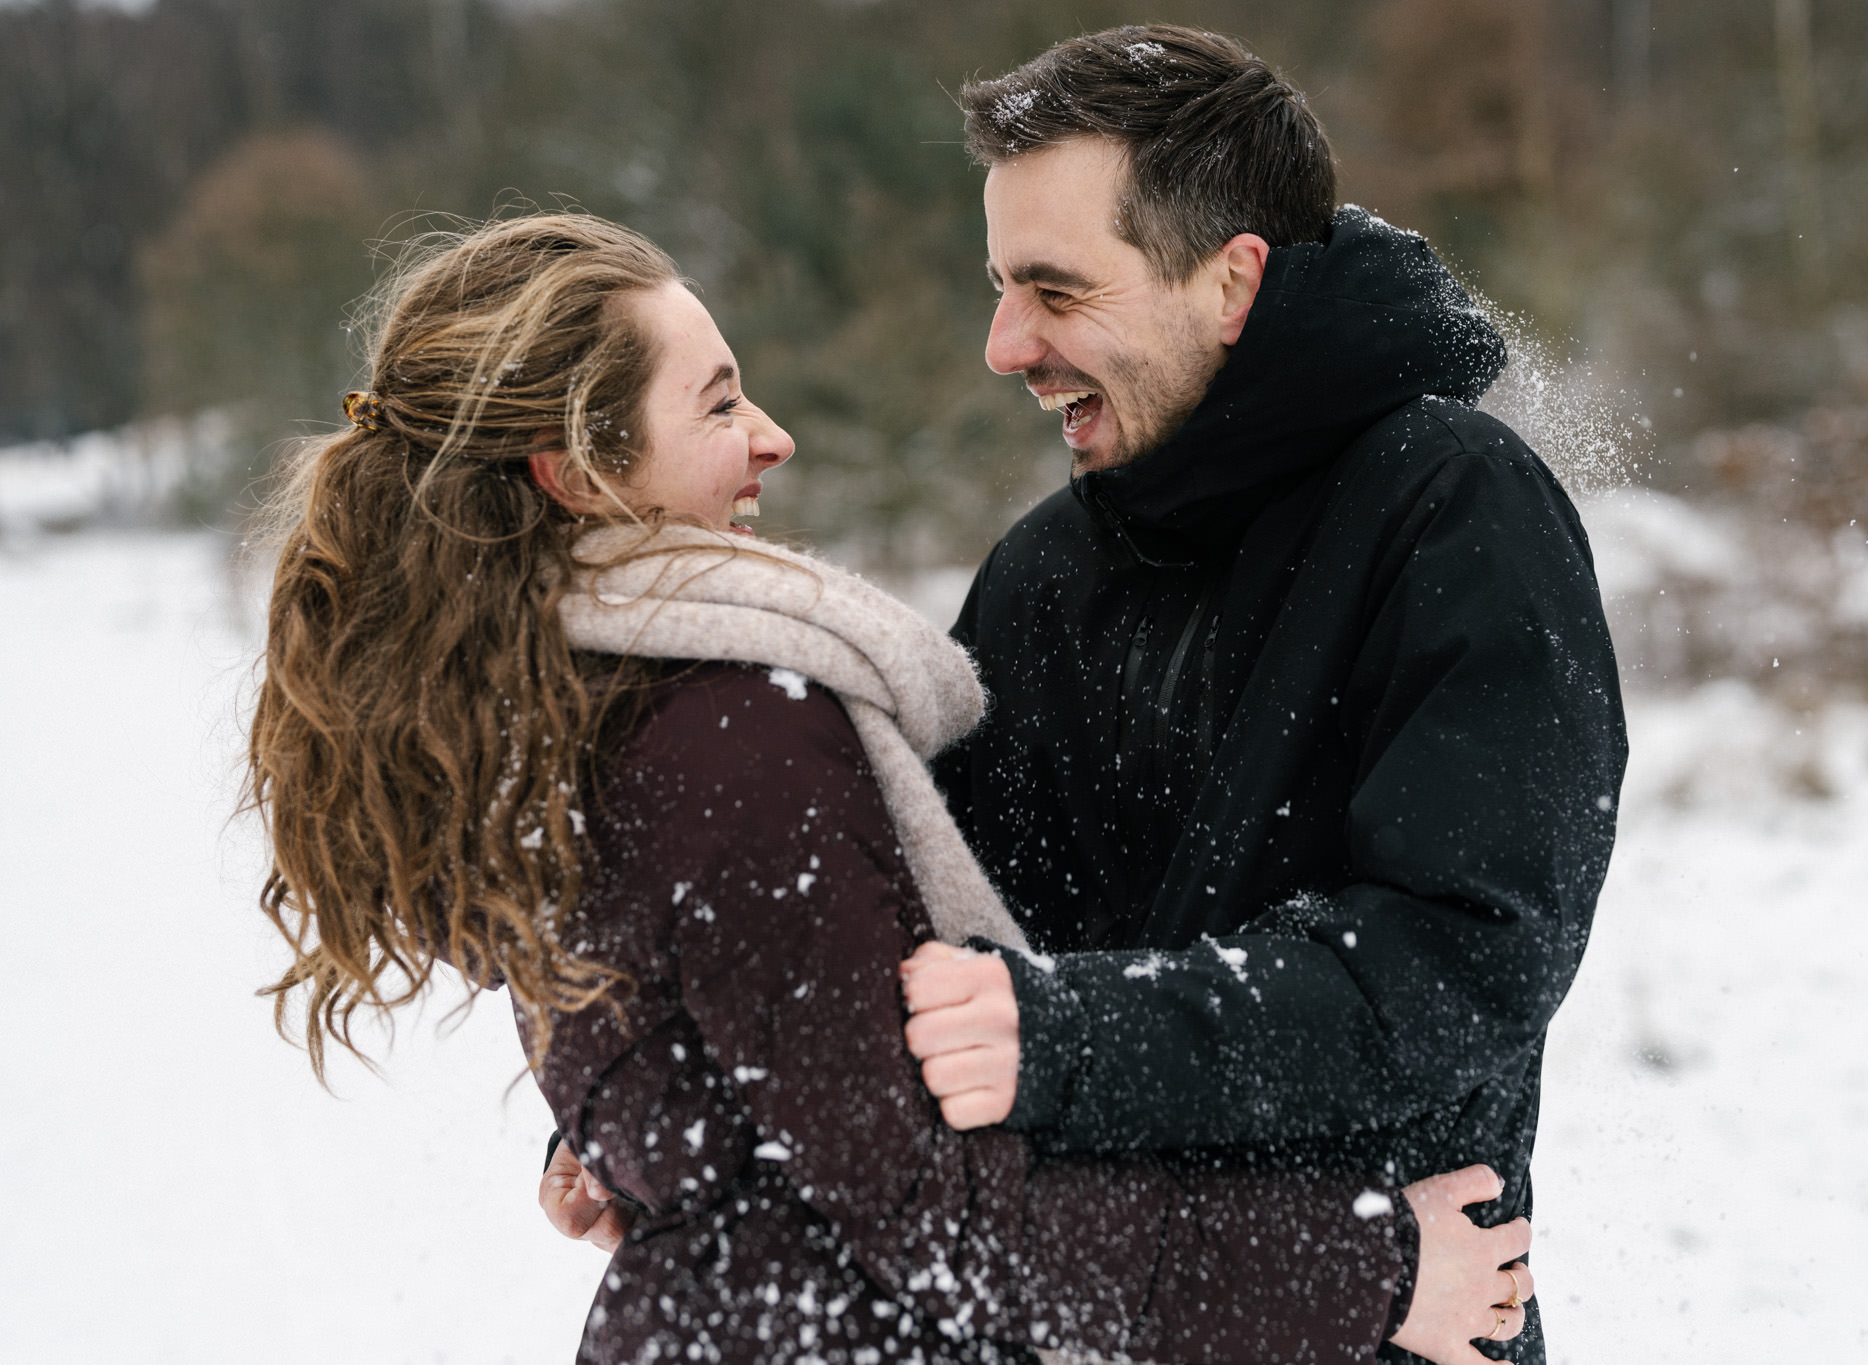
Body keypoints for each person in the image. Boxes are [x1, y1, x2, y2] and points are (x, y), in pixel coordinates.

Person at [247, 212, 1537, 1365]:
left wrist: (657, 1131)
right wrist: (1374, 1274)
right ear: (579, 475)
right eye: (714, 406)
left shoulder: (548, 708)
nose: (773, 437)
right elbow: (937, 1212)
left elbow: (734, 1040)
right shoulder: (727, 734)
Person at [550, 26, 1625, 1365]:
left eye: (1053, 290)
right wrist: (660, 1091)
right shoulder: (1048, 570)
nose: (1005, 345)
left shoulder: (1456, 511)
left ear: (1229, 283)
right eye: (999, 287)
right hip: (1094, 1313)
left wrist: (1076, 1037)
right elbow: (876, 909)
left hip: (1393, 1314)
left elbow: (1466, 964)